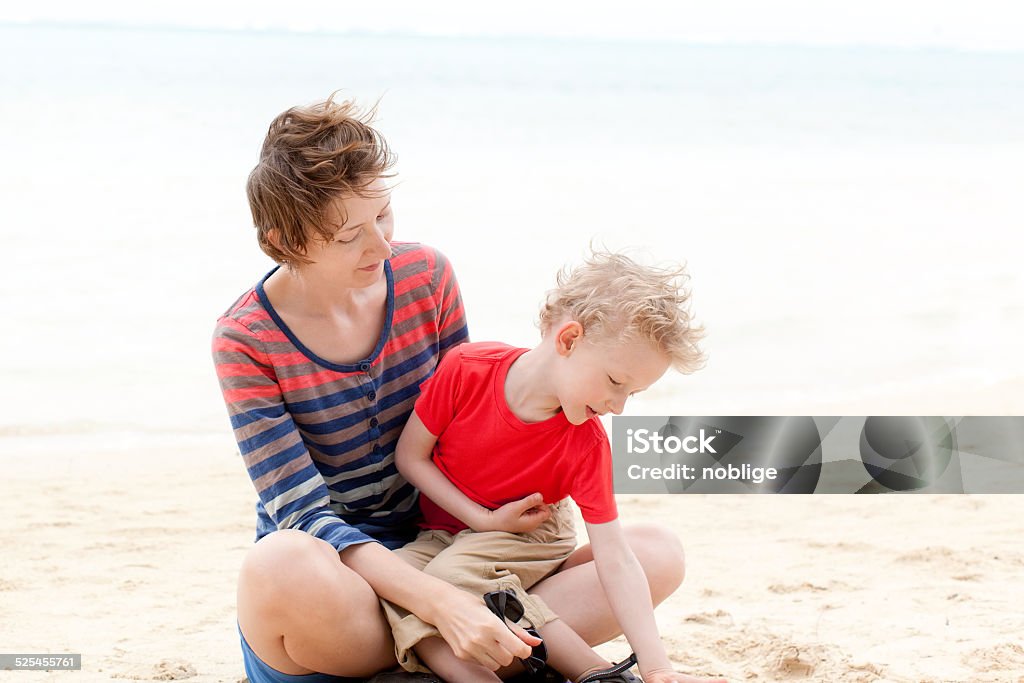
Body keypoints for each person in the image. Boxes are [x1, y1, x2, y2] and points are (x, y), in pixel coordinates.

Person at [212, 94, 705, 683]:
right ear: (286, 240)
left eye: (384, 216)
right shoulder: (247, 340)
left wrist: (499, 523)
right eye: (350, 237)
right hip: (346, 589)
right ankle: (448, 644)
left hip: (455, 546)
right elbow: (303, 515)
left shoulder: (427, 276)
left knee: (655, 552)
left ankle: (439, 657)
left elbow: (466, 427)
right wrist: (441, 602)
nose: (382, 246)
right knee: (281, 563)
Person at [385, 252, 728, 683]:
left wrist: (659, 667)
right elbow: (410, 456)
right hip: (449, 535)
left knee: (448, 580)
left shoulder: (586, 443)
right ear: (568, 340)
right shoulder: (466, 370)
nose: (618, 408)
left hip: (531, 533)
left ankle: (595, 672)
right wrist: (482, 519)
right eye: (616, 383)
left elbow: (615, 556)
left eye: (633, 395)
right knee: (394, 585)